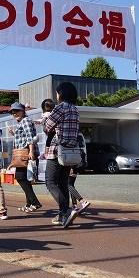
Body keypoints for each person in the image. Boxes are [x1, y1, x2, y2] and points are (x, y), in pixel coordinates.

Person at [42, 82, 80, 228]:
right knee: (63, 183)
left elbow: (47, 127)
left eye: (58, 92)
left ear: (62, 93)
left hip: (57, 150)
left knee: (50, 182)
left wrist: (46, 118)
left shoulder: (60, 107)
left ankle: (66, 211)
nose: (56, 95)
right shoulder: (75, 109)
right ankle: (62, 215)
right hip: (70, 152)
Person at [8, 102, 42, 213]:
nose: (14, 114)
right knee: (25, 179)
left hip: (26, 153)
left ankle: (35, 202)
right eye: (13, 112)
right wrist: (14, 133)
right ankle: (29, 204)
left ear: (23, 111)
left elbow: (30, 137)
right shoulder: (22, 122)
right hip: (23, 153)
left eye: (17, 111)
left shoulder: (26, 121)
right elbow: (24, 137)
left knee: (20, 177)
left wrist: (31, 152)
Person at [69, 133, 91, 213]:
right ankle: (74, 205)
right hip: (78, 164)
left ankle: (82, 201)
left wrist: (71, 167)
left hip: (71, 164)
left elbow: (70, 153)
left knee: (68, 185)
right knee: (71, 185)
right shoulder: (79, 136)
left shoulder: (70, 138)